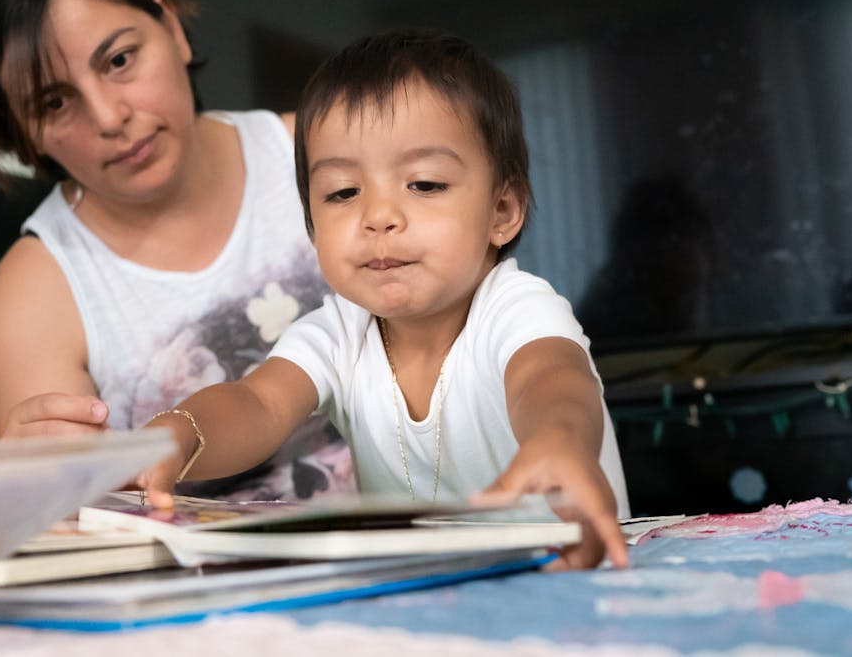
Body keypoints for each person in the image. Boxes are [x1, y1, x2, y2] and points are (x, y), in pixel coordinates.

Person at [137, 29, 631, 569]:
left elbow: (551, 380)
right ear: (311, 225)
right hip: (445, 599)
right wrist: (181, 432)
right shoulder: (338, 331)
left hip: (578, 580)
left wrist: (560, 440)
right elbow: (256, 404)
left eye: (423, 183)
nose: (378, 216)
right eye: (343, 192)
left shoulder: (516, 306)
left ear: (503, 210)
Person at [0, 0, 351, 501]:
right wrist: (32, 494)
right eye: (55, 103)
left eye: (119, 60)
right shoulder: (34, 293)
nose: (110, 117)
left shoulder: (323, 157)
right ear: (25, 133)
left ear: (173, 28)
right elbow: (76, 534)